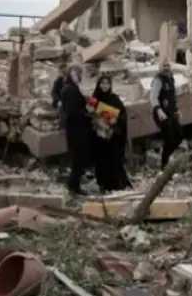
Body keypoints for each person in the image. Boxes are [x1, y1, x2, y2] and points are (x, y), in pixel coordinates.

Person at [91, 75, 131, 192]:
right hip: (99, 138)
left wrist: (116, 120)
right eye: (102, 83)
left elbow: (123, 115)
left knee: (114, 161)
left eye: (107, 83)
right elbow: (88, 112)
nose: (105, 86)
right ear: (99, 85)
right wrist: (96, 117)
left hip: (113, 137)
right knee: (102, 161)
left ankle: (116, 185)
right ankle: (103, 185)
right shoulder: (94, 99)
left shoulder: (114, 99)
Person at [60, 64, 93, 196]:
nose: (79, 76)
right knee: (77, 158)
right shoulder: (69, 89)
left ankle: (74, 184)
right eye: (77, 73)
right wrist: (86, 110)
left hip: (77, 128)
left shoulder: (72, 87)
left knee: (78, 158)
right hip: (75, 129)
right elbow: (71, 110)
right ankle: (74, 186)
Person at [150, 62, 183, 169]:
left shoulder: (171, 78)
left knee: (179, 135)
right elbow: (153, 97)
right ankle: (164, 165)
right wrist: (159, 110)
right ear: (160, 67)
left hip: (171, 112)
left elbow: (173, 97)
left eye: (168, 65)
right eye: (163, 66)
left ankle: (170, 158)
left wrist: (177, 110)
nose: (166, 68)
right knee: (169, 140)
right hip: (161, 114)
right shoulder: (158, 80)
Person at [50, 63, 68, 128]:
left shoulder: (71, 80)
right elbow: (53, 92)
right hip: (60, 103)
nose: (64, 71)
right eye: (62, 70)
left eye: (65, 69)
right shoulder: (58, 81)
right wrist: (59, 100)